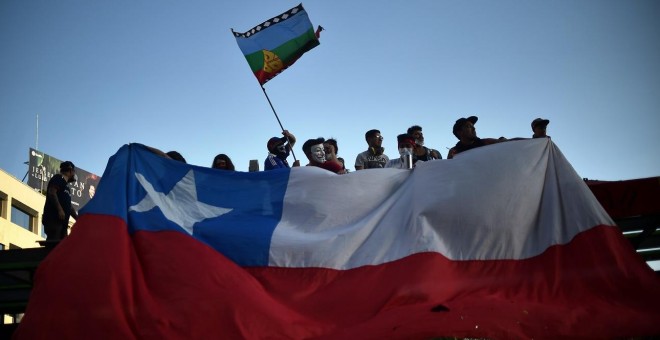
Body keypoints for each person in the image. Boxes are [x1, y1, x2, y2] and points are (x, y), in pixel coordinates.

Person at [42, 161, 78, 243]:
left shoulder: (66, 187)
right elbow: (52, 192)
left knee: (63, 247)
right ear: (70, 171)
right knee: (54, 246)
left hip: (63, 224)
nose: (74, 174)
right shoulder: (58, 178)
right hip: (54, 220)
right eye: (74, 172)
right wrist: (60, 209)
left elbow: (69, 206)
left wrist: (77, 218)